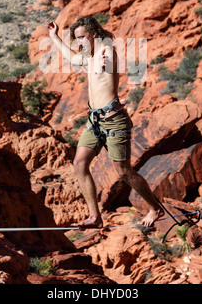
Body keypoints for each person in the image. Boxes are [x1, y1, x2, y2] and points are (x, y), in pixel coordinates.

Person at [48, 16, 163, 228]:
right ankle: (95, 217)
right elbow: (72, 58)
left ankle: (154, 208)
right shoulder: (89, 55)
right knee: (79, 163)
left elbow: (109, 58)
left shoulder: (106, 51)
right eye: (76, 39)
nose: (79, 42)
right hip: (94, 121)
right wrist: (54, 37)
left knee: (124, 172)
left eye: (81, 37)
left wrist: (106, 59)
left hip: (114, 120)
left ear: (93, 33)